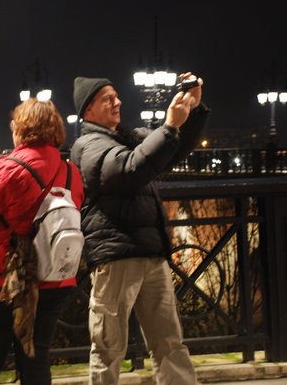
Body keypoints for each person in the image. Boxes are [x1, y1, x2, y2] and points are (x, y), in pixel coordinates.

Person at [70, 74, 210, 385]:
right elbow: (128, 171)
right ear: (88, 110)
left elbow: (170, 150)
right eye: (108, 99)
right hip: (116, 254)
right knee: (108, 346)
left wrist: (192, 108)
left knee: (169, 343)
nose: (118, 102)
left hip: (149, 252)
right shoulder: (89, 144)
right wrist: (170, 126)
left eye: (116, 96)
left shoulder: (124, 136)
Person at [0, 98, 84, 385]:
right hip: (54, 278)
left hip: (4, 281)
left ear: (22, 128)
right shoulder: (70, 172)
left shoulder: (7, 168)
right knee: (36, 359)